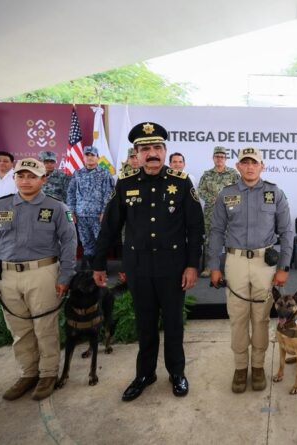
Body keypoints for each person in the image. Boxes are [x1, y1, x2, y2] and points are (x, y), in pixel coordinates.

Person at [92, 122, 205, 402]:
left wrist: (193, 265)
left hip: (173, 268)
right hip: (139, 268)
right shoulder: (125, 183)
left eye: (157, 148)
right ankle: (145, 374)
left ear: (165, 151)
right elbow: (110, 228)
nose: (151, 153)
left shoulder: (181, 182)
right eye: (145, 149)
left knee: (174, 324)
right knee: (145, 324)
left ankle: (176, 372)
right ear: (137, 154)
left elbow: (195, 228)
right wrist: (98, 264)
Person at [0, 158, 77, 401]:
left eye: (32, 176)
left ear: (43, 179)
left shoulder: (56, 207)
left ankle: (48, 374)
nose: (26, 180)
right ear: (14, 178)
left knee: (45, 328)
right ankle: (28, 373)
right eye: (21, 176)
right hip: (7, 276)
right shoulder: (0, 207)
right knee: (19, 330)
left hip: (43, 273)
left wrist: (65, 275)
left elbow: (69, 242)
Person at [208, 147, 293, 393]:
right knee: (237, 318)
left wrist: (284, 266)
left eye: (253, 163)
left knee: (261, 318)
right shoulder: (227, 194)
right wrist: (214, 266)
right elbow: (215, 232)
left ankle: (257, 367)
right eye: (244, 163)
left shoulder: (274, 193)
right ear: (238, 166)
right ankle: (239, 367)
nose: (249, 167)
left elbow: (287, 232)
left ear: (261, 166)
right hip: (234, 263)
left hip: (264, 265)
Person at [67, 146, 114, 268]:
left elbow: (109, 195)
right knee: (86, 242)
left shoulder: (104, 174)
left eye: (92, 155)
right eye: (87, 155)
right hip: (81, 215)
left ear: (98, 158)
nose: (90, 158)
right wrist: (71, 211)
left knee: (100, 242)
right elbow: (71, 193)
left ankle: (100, 268)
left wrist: (105, 212)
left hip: (98, 215)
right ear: (83, 158)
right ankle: (88, 269)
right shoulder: (77, 174)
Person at [198, 146, 240, 277]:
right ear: (213, 158)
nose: (219, 159)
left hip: (229, 212)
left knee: (230, 240)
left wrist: (225, 201)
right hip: (211, 212)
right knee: (211, 240)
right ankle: (209, 268)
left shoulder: (233, 174)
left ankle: (229, 268)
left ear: (225, 159)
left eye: (222, 157)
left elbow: (240, 190)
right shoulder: (207, 174)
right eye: (217, 157)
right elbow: (201, 190)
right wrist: (213, 199)